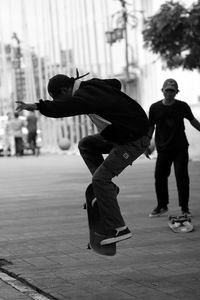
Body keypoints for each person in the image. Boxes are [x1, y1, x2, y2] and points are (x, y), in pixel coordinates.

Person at [16, 71, 150, 245]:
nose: (61, 101)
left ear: (65, 89)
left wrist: (37, 105)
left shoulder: (86, 95)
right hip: (122, 135)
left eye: (60, 98)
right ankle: (110, 190)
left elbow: (63, 108)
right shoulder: (92, 86)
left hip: (133, 140)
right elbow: (116, 83)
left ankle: (119, 228)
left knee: (100, 179)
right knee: (86, 144)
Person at [147, 79, 200, 217]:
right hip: (163, 149)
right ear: (162, 91)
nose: (170, 93)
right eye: (167, 90)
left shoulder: (182, 106)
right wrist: (146, 144)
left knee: (182, 177)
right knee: (159, 177)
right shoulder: (154, 108)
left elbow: (193, 121)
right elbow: (151, 127)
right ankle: (162, 205)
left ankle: (185, 208)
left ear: (177, 92)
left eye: (172, 90)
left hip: (180, 148)